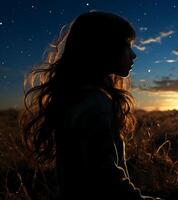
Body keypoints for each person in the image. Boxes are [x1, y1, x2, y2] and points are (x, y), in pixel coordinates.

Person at [21, 11, 160, 200]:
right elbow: (106, 179)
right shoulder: (94, 102)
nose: (133, 55)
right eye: (127, 46)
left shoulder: (77, 96)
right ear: (103, 47)